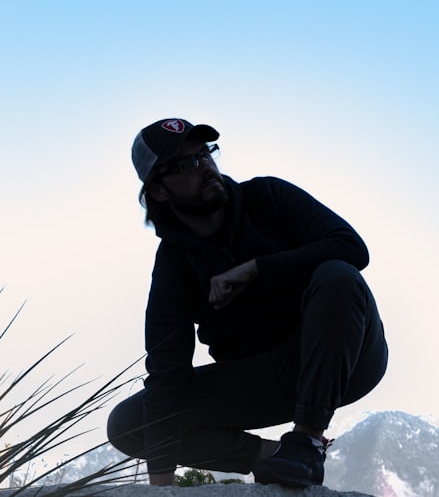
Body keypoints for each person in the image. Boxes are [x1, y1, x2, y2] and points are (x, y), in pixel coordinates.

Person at [107, 118, 388, 488]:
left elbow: (351, 247)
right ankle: (272, 456)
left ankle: (305, 443)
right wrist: (162, 489)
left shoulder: (268, 198)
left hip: (346, 360)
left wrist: (255, 270)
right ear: (159, 192)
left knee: (338, 275)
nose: (206, 166)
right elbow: (167, 372)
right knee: (127, 424)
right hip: (264, 377)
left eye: (206, 153)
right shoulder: (175, 265)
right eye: (188, 163)